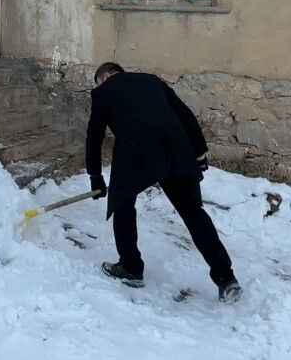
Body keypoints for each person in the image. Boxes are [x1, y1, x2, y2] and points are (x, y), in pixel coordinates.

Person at [86, 62, 242, 302]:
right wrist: (199, 153)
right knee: (193, 213)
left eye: (98, 81)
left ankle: (130, 267)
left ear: (105, 76)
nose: (99, 85)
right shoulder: (151, 80)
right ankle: (227, 279)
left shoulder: (103, 91)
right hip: (175, 148)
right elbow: (185, 114)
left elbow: (94, 136)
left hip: (133, 151)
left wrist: (95, 177)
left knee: (124, 206)